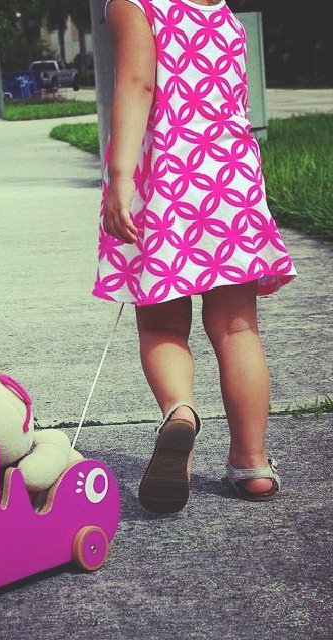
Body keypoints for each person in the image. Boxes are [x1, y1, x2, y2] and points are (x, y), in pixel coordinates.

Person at [95, 0, 297, 513]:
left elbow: (139, 84)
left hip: (169, 178)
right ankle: (252, 463)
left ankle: (179, 412)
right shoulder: (225, 14)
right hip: (230, 176)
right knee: (237, 329)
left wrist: (121, 178)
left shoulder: (136, 6)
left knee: (161, 326)